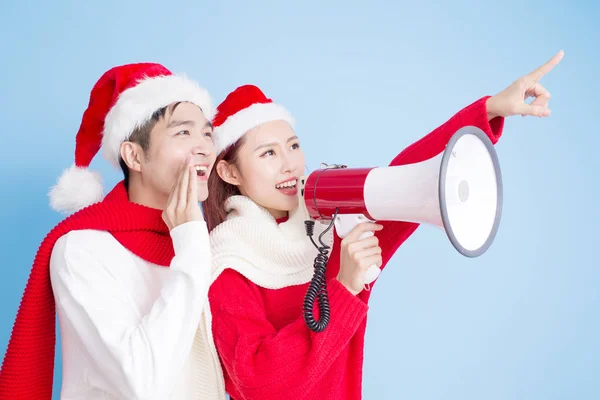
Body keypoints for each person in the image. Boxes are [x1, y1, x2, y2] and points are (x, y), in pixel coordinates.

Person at [202, 50, 564, 399]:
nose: (290, 165)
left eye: (293, 146)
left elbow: (404, 177)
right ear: (229, 171)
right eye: (268, 153)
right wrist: (343, 287)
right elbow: (259, 383)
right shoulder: (229, 263)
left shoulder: (329, 227)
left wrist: (487, 110)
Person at [0, 63, 227, 399]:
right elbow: (142, 383)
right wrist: (192, 249)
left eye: (207, 133)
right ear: (134, 155)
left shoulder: (209, 241)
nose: (205, 147)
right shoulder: (81, 249)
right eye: (183, 133)